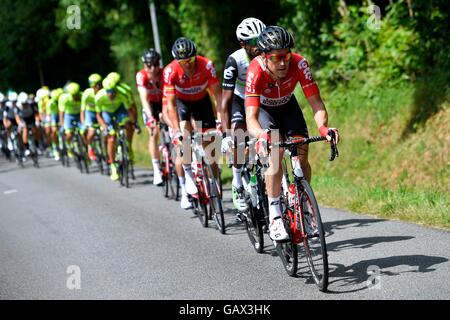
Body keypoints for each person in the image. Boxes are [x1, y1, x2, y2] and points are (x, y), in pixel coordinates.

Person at [245, 26, 340, 241]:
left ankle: (304, 206)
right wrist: (261, 136)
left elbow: (316, 103)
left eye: (286, 56)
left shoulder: (299, 63)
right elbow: (251, 117)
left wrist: (324, 128)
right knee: (275, 157)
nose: (282, 63)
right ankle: (275, 215)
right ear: (264, 56)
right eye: (276, 57)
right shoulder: (255, 70)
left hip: (289, 108)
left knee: (302, 156)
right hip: (266, 113)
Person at [163, 37, 222, 205]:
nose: (188, 64)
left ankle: (213, 182)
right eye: (183, 61)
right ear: (177, 60)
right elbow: (171, 105)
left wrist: (219, 119)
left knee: (211, 147)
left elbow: (217, 95)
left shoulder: (206, 65)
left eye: (190, 60)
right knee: (185, 138)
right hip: (182, 104)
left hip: (202, 102)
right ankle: (188, 177)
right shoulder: (170, 71)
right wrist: (176, 130)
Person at [220, 17, 266, 217]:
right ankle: (237, 182)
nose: (259, 46)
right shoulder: (235, 60)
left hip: (262, 99)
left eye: (261, 40)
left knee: (269, 137)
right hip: (240, 99)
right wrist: (225, 135)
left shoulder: (269, 55)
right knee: (239, 137)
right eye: (254, 42)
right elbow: (225, 102)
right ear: (243, 44)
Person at [136, 49, 165, 186]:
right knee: (153, 133)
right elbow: (144, 100)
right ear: (144, 65)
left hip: (163, 103)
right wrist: (151, 117)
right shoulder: (142, 76)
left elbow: (170, 97)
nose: (153, 68)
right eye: (149, 65)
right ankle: (156, 170)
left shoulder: (164, 73)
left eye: (155, 64)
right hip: (150, 105)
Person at [95, 76, 132, 181]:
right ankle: (113, 166)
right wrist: (104, 127)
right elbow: (98, 115)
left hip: (119, 110)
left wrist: (133, 122)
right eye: (108, 92)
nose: (111, 94)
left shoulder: (122, 94)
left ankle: (127, 146)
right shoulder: (99, 97)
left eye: (113, 91)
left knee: (128, 124)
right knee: (111, 137)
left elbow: (129, 109)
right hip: (106, 113)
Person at [81, 73, 103, 161]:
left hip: (101, 112)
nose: (98, 86)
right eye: (95, 84)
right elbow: (82, 109)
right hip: (90, 113)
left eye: (99, 84)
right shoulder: (87, 93)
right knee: (91, 132)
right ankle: (90, 148)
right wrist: (83, 122)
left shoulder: (103, 92)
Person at [59, 82, 82, 158]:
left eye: (76, 94)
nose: (75, 96)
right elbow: (61, 112)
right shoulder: (64, 98)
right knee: (69, 134)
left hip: (79, 115)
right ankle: (69, 146)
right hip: (69, 116)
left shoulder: (82, 96)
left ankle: (84, 149)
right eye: (73, 95)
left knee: (83, 132)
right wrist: (62, 124)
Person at [47, 88, 64, 160]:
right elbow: (49, 115)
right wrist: (51, 124)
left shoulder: (62, 100)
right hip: (53, 115)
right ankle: (55, 149)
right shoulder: (50, 103)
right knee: (53, 131)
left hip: (61, 113)